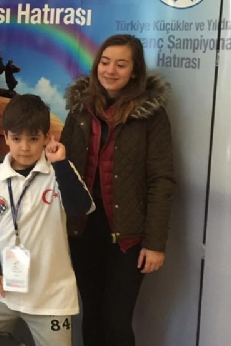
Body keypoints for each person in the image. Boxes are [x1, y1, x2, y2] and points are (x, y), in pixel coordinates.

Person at [60, 34, 175, 346]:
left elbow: (161, 180)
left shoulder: (152, 115)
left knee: (116, 322)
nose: (110, 70)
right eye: (105, 62)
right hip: (83, 230)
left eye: (121, 64)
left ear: (134, 72)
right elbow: (64, 170)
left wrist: (155, 244)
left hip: (128, 235)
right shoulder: (80, 109)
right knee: (92, 315)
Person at [0, 94, 95, 346]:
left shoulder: (59, 172)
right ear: (5, 137)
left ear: (47, 138)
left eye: (33, 139)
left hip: (50, 295)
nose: (24, 147)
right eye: (16, 138)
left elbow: (79, 208)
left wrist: (61, 164)